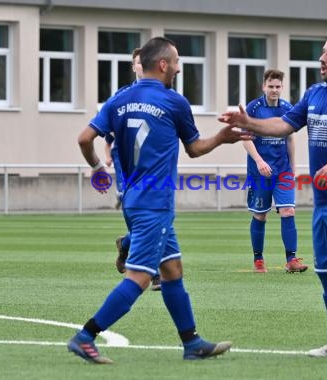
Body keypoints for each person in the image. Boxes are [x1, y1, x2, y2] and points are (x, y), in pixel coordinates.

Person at [68, 36, 249, 364]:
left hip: (133, 197)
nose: (179, 67)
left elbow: (84, 138)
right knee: (139, 277)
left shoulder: (120, 99)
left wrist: (97, 168)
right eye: (177, 61)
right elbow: (194, 149)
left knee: (172, 269)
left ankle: (192, 343)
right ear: (163, 64)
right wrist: (222, 138)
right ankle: (86, 336)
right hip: (155, 203)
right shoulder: (173, 101)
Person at [220, 30, 327, 362]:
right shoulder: (315, 93)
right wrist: (247, 121)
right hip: (324, 202)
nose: (322, 59)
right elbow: (284, 125)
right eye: (323, 52)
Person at [103, 48, 163, 290]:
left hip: (153, 165)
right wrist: (105, 157)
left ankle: (126, 245)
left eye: (144, 62)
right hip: (126, 164)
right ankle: (155, 273)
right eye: (138, 63)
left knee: (152, 217)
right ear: (133, 66)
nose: (141, 66)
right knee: (143, 215)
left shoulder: (162, 95)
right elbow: (107, 132)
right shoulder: (123, 95)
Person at [243, 69, 307, 274]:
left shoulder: (288, 108)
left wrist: (294, 166)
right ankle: (258, 260)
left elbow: (289, 138)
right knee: (260, 215)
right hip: (260, 172)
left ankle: (292, 259)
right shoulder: (253, 108)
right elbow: (246, 139)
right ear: (264, 86)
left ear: (282, 87)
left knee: (288, 211)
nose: (274, 90)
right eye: (270, 86)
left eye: (278, 86)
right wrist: (260, 161)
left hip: (283, 171)